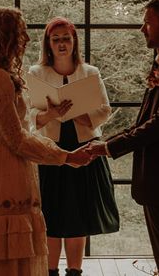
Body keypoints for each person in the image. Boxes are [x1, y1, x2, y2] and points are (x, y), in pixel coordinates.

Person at [0, 7, 93, 276]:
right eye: (20, 33)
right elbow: (16, 139)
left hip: (6, 160)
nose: (26, 40)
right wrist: (65, 156)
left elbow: (17, 132)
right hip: (7, 165)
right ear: (5, 37)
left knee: (10, 244)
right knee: (8, 244)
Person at [87, 0, 159, 276]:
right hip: (158, 180)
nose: (142, 29)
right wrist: (105, 143)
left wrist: (107, 148)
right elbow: (147, 120)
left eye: (147, 22)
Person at [28, 17, 120, 276]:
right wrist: (52, 114)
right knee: (51, 213)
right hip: (50, 149)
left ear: (74, 41)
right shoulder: (37, 73)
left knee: (78, 214)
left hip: (84, 148)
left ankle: (74, 271)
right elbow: (30, 114)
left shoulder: (90, 72)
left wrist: (80, 114)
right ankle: (50, 272)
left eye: (66, 38)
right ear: (48, 43)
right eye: (55, 39)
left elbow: (105, 109)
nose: (61, 44)